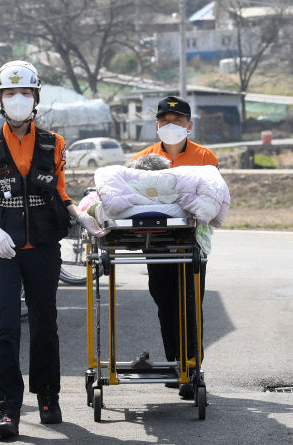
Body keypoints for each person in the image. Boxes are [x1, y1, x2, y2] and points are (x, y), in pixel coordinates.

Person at [0, 60, 103, 438]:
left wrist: (81, 216)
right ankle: (7, 408)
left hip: (41, 245)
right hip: (0, 248)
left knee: (45, 324)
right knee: (6, 327)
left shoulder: (53, 143)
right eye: (11, 94)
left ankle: (48, 397)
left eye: (25, 93)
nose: (18, 100)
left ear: (36, 98)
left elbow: (56, 191)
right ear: (0, 100)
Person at [131, 96, 218, 399]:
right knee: (166, 304)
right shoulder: (143, 159)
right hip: (156, 241)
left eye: (177, 121)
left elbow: (212, 197)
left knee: (190, 305)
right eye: (165, 121)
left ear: (189, 125)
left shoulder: (205, 157)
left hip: (191, 241)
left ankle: (192, 371)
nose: (171, 126)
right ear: (157, 125)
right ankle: (175, 365)